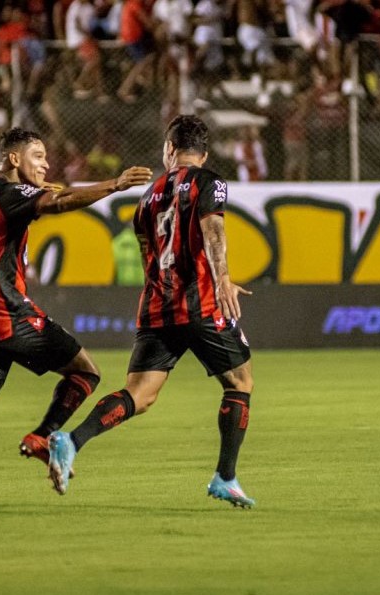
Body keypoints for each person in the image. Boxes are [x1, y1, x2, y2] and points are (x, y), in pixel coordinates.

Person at [0, 127, 153, 512]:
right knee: (86, 372)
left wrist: (39, 184)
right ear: (15, 159)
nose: (46, 162)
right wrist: (115, 184)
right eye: (38, 155)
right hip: (7, 315)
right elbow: (59, 201)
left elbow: (28, 199)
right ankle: (42, 436)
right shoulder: (11, 195)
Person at [46, 115, 257, 508]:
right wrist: (223, 277)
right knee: (240, 381)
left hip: (157, 306)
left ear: (170, 149)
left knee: (140, 394)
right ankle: (225, 477)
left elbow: (149, 255)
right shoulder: (209, 182)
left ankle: (71, 441)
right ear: (203, 153)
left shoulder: (146, 198)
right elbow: (214, 231)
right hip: (200, 303)